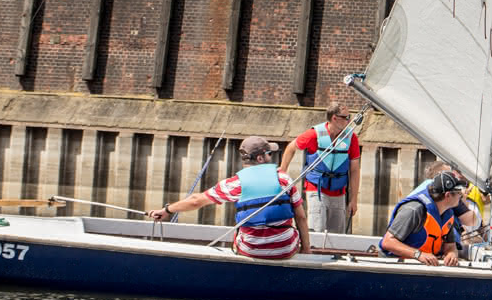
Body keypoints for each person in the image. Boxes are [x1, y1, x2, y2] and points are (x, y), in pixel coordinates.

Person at [147, 136, 307, 260]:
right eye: (269, 154)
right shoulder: (284, 179)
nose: (271, 157)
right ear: (260, 158)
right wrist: (307, 250)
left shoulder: (235, 184)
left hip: (251, 250)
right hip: (285, 249)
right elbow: (301, 217)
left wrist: (167, 210)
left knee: (239, 228)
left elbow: (196, 201)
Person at [280, 104, 360, 235]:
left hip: (339, 192)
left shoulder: (351, 138)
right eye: (346, 117)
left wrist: (354, 199)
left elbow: (355, 170)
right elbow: (291, 147)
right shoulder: (314, 134)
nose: (349, 120)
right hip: (316, 189)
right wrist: (282, 171)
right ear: (335, 118)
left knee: (337, 235)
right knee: (317, 230)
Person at [380, 170, 468, 266]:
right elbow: (387, 242)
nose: (461, 195)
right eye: (458, 192)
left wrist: (451, 253)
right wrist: (418, 254)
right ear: (448, 195)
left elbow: (450, 246)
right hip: (395, 265)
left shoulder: (448, 214)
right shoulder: (414, 210)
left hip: (422, 266)